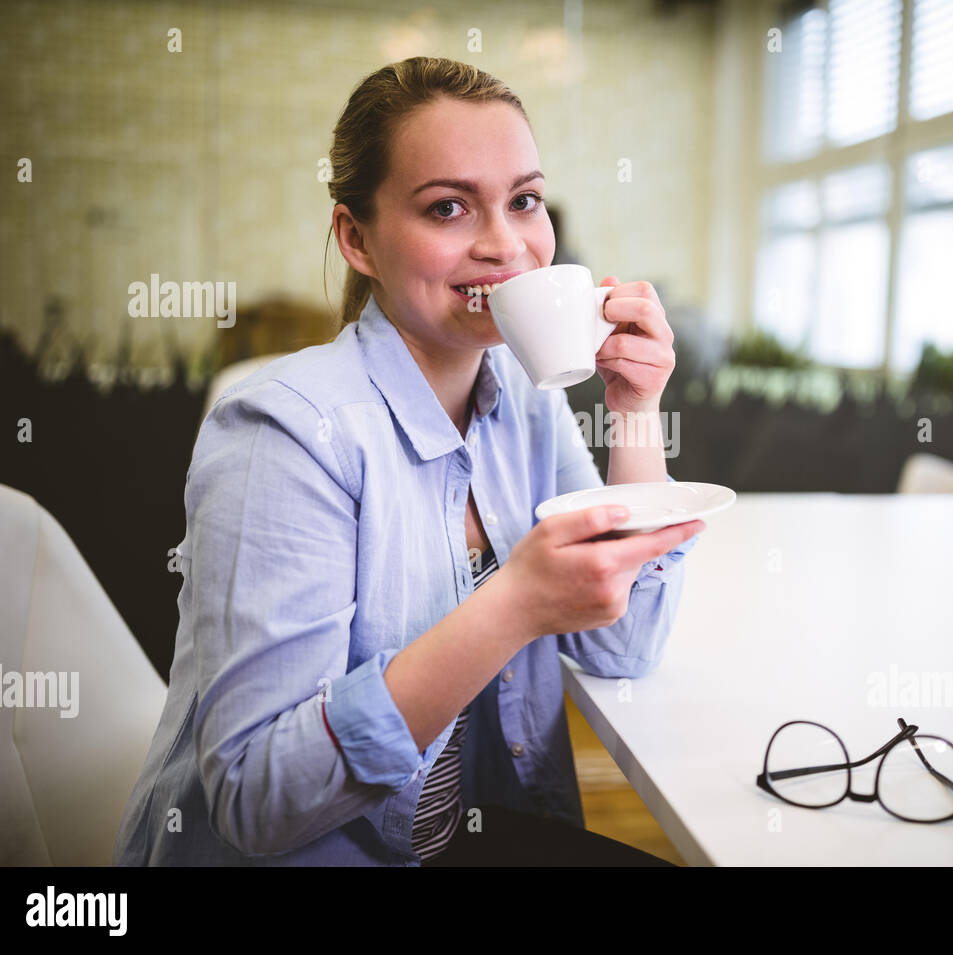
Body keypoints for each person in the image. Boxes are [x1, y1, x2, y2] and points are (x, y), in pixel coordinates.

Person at [111, 56, 704, 867]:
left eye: (524, 201)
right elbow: (256, 803)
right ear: (357, 238)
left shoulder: (527, 399)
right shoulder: (283, 436)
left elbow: (623, 647)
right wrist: (513, 608)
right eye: (448, 207)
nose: (506, 246)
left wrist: (635, 413)